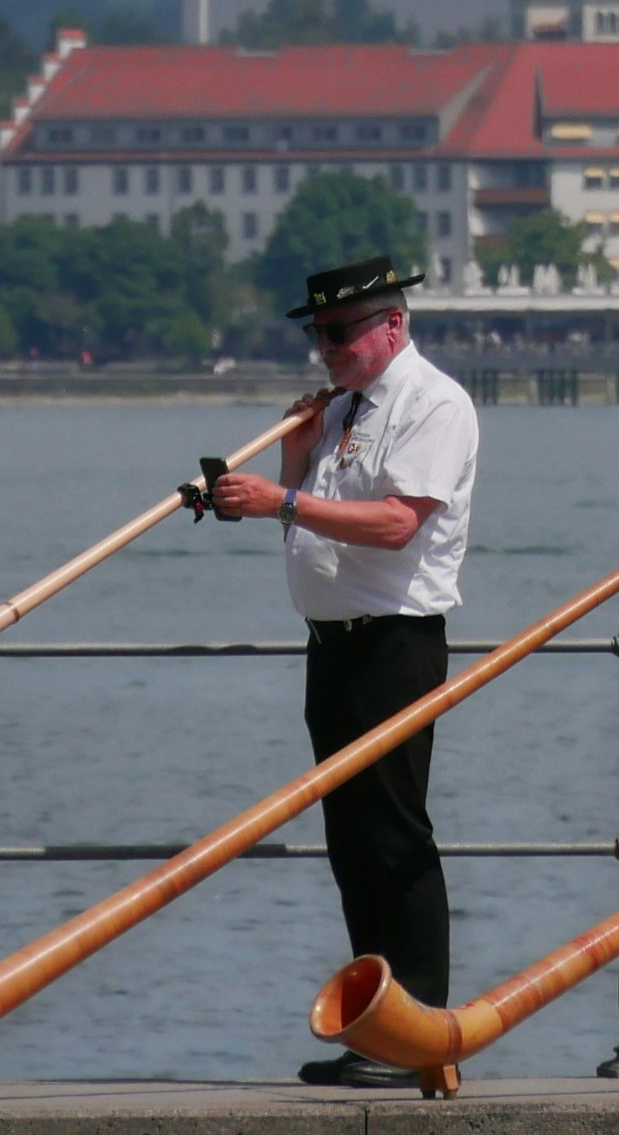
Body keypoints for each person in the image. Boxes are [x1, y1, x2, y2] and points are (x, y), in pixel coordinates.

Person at [202, 255, 480, 1092]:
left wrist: (281, 500)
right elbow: (311, 525)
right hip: (334, 643)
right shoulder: (344, 409)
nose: (322, 348)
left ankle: (419, 1024)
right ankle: (375, 1022)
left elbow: (396, 523)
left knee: (393, 835)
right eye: (315, 334)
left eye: (337, 332)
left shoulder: (432, 402)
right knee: (350, 842)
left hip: (394, 641)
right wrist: (290, 463)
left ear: (391, 324)